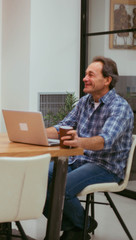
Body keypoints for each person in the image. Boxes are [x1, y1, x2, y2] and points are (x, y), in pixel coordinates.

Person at [44, 56, 134, 240]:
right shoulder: (85, 101)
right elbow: (64, 125)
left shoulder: (119, 107)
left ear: (107, 80)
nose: (85, 78)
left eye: (91, 75)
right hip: (80, 159)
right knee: (39, 176)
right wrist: (39, 132)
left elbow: (104, 141)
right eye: (85, 74)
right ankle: (80, 225)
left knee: (62, 187)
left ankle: (77, 227)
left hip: (106, 166)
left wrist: (80, 142)